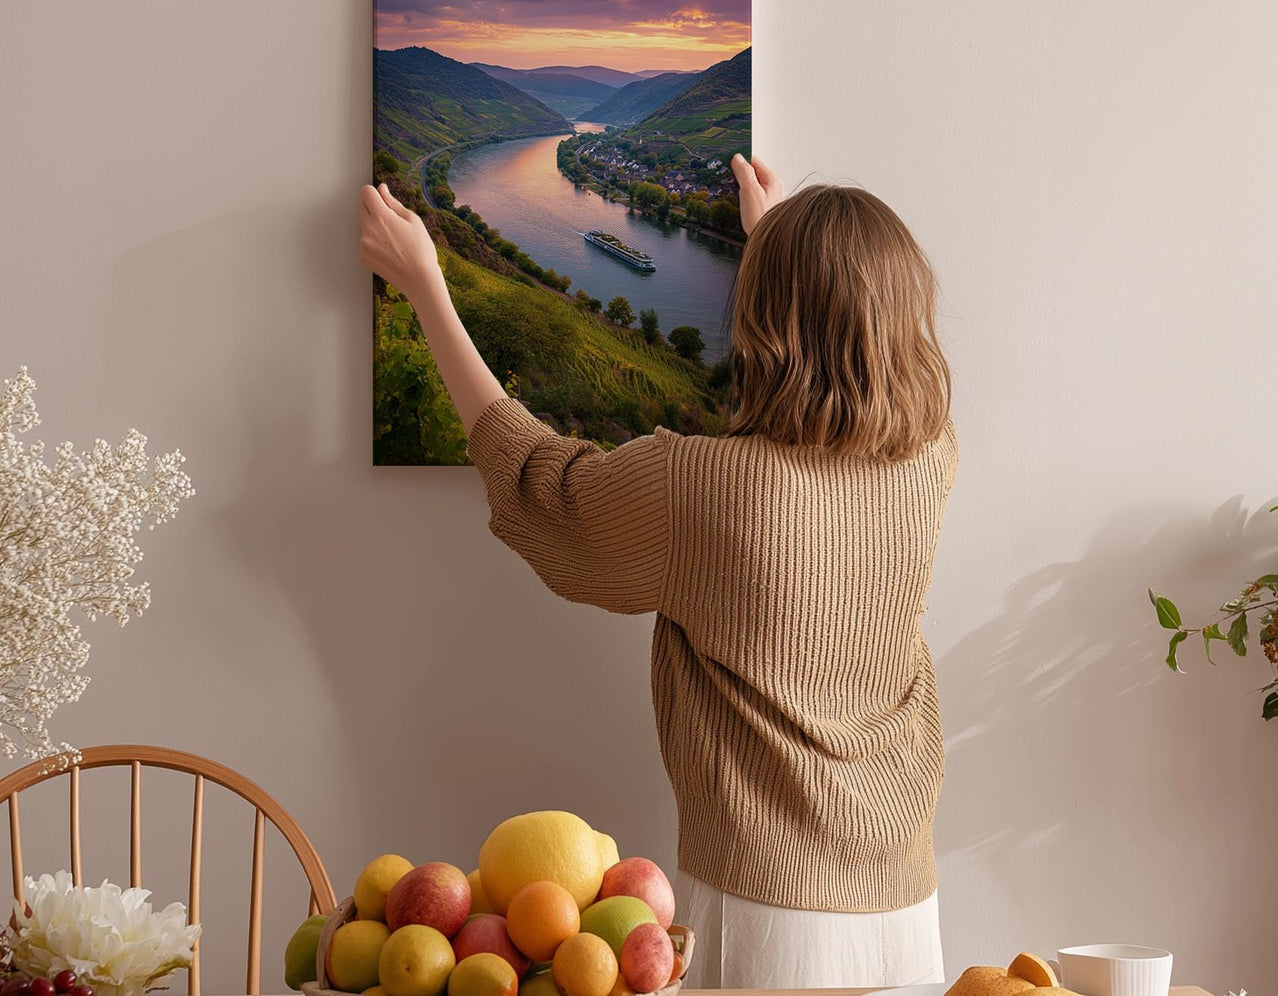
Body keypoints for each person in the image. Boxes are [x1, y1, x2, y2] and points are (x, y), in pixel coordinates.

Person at [358, 153, 956, 988]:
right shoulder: (929, 460)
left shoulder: (698, 486)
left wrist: (426, 285)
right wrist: (776, 243)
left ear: (763, 314)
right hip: (905, 897)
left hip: (765, 906)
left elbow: (540, 482)